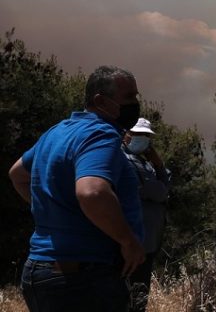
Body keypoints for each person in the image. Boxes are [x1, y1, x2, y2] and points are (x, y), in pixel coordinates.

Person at [7, 65, 146, 312]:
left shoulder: (57, 132)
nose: (136, 103)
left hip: (40, 271)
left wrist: (54, 210)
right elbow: (92, 192)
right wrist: (129, 242)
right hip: (82, 279)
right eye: (129, 97)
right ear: (101, 101)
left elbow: (17, 175)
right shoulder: (101, 134)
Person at [124, 117, 171, 312]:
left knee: (139, 297)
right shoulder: (125, 161)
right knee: (129, 297)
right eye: (137, 134)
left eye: (146, 136)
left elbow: (163, 190)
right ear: (126, 135)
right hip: (133, 243)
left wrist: (158, 167)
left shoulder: (144, 162)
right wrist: (160, 168)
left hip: (147, 243)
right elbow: (161, 192)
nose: (142, 139)